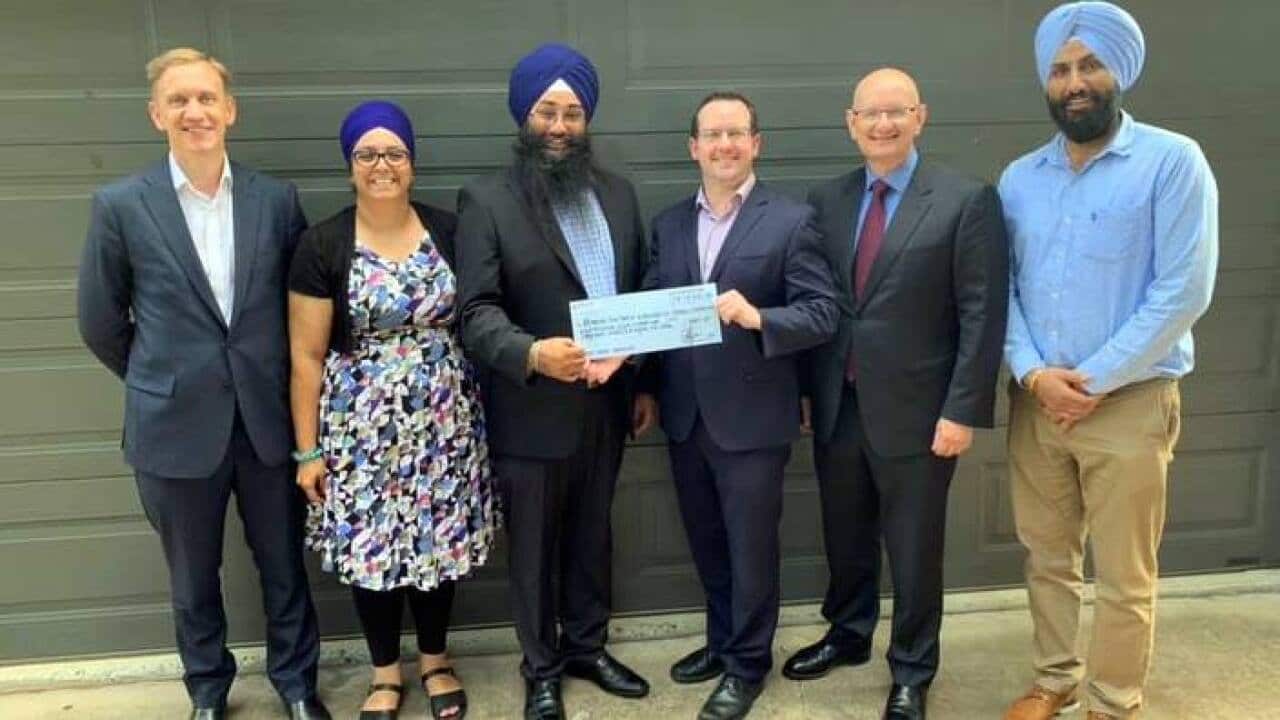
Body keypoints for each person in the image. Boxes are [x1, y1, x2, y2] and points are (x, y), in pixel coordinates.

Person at [76, 48, 328, 720]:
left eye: (207, 98)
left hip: (266, 423)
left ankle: (298, 685)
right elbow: (101, 321)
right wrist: (162, 379)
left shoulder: (276, 201)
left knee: (283, 567)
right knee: (193, 579)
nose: (196, 112)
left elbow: (300, 311)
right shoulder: (121, 205)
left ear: (230, 109)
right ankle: (208, 693)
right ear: (158, 113)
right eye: (181, 101)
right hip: (173, 428)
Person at [998, 4, 1218, 719]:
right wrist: (1034, 374)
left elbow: (1183, 289)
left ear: (1120, 70)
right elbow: (1001, 291)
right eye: (1061, 69)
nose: (1075, 81)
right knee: (1047, 558)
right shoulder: (1018, 179)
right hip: (1037, 404)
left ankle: (1113, 700)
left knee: (1125, 573)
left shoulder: (1172, 162)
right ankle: (1054, 679)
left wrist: (1091, 381)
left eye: (1090, 64)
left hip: (1128, 403)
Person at [785, 68, 1009, 720]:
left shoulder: (965, 201)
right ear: (851, 123)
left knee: (913, 549)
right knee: (845, 534)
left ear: (920, 117)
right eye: (869, 114)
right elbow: (816, 305)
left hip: (921, 414)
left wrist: (962, 410)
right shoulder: (824, 199)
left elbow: (981, 313)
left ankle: (912, 668)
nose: (882, 125)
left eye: (896, 112)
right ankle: (849, 634)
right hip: (838, 404)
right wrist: (805, 391)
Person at [453, 43, 650, 720]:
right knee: (534, 548)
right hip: (531, 406)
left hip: (607, 404)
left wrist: (640, 375)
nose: (560, 125)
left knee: (594, 533)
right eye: (547, 111)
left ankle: (587, 648)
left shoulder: (619, 194)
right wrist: (532, 354)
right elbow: (474, 311)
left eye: (572, 112)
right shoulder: (486, 199)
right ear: (524, 116)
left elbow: (640, 291)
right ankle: (540, 668)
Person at [287, 101, 496, 720]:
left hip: (445, 422)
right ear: (350, 165)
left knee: (438, 542)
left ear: (412, 162)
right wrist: (308, 451)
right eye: (367, 154)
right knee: (372, 549)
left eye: (395, 153)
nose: (383, 165)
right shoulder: (322, 243)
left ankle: (435, 660)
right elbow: (305, 355)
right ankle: (384, 673)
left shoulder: (451, 230)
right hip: (361, 429)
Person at [637, 91, 837, 720]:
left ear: (757, 143)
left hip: (753, 419)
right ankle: (723, 642)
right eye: (711, 135)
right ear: (693, 147)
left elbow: (822, 312)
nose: (724, 145)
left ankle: (748, 665)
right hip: (684, 414)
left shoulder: (792, 220)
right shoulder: (667, 224)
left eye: (736, 133)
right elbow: (649, 313)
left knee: (751, 548)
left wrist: (759, 316)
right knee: (708, 543)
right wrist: (629, 369)